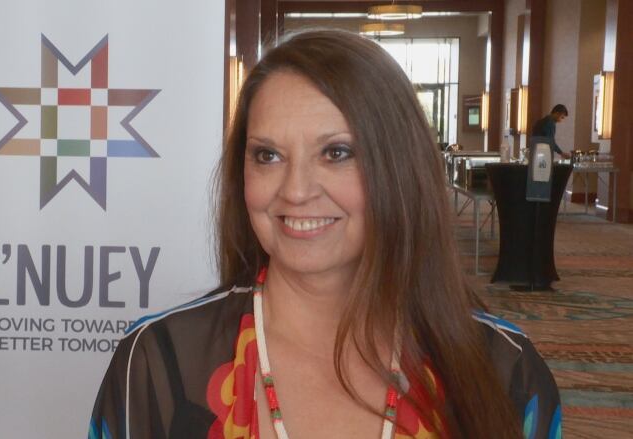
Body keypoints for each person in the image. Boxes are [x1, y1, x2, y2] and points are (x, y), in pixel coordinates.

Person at [89, 30, 561, 439]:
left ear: (399, 169)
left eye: (336, 153)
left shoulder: (506, 372)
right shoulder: (156, 364)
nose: (295, 191)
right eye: (267, 156)